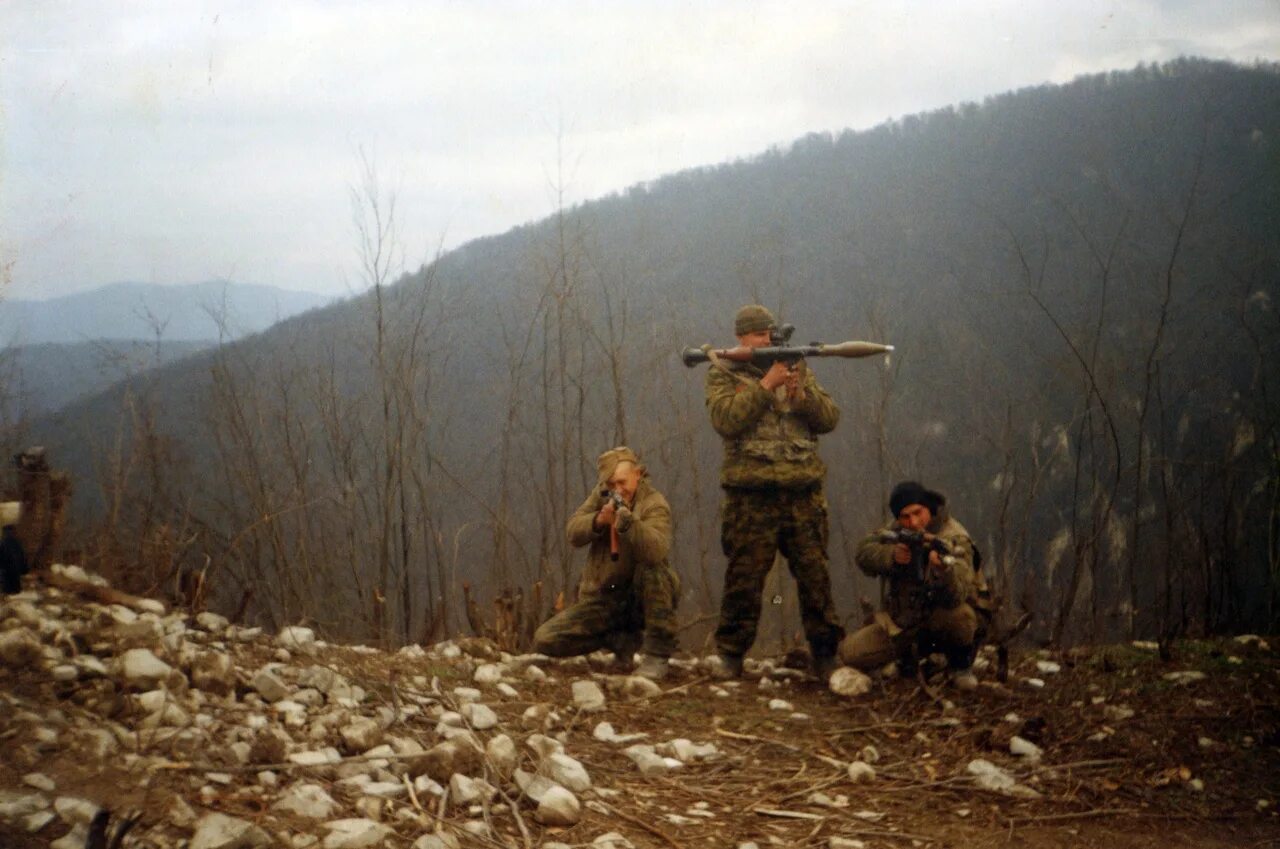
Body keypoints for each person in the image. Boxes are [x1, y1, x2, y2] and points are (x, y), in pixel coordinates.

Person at [705, 304, 844, 681]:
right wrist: (766, 385)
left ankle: (826, 654)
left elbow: (829, 418)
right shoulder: (724, 372)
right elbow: (726, 420)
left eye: (770, 333)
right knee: (744, 580)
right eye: (758, 335)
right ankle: (731, 654)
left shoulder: (797, 367)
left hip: (803, 494)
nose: (766, 340)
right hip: (752, 497)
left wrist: (801, 396)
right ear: (741, 337)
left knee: (815, 578)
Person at [533, 447, 680, 680]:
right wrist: (598, 521)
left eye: (622, 482)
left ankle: (657, 653)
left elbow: (657, 549)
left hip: (640, 597)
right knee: (546, 639)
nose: (617, 489)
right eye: (611, 484)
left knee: (654, 571)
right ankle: (619, 640)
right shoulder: (601, 494)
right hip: (605, 597)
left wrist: (629, 525)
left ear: (637, 475)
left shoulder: (653, 503)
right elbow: (573, 532)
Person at [838, 481, 987, 690]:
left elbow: (957, 595)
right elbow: (864, 551)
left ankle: (959, 666)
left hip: (942, 620)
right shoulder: (898, 530)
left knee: (961, 618)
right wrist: (891, 556)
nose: (914, 521)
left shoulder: (954, 537)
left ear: (929, 507)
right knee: (850, 652)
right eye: (905, 516)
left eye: (918, 513)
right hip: (904, 623)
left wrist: (942, 571)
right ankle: (911, 660)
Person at [0, 519, 29, 596]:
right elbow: (22, 557)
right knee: (15, 590)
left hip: (6, 572)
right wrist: (24, 570)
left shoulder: (2, 543)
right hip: (16, 572)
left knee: (7, 590)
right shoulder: (17, 543)